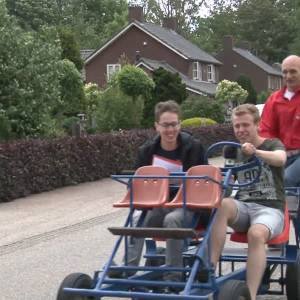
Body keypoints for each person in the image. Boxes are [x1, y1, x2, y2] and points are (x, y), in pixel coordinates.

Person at [109, 100, 207, 284]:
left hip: (188, 207)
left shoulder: (194, 147)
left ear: (180, 124)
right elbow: (137, 185)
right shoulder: (147, 151)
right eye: (165, 125)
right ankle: (128, 269)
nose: (170, 130)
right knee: (137, 218)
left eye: (174, 124)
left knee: (173, 219)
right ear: (156, 126)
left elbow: (204, 184)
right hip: (159, 206)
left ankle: (173, 277)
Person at [210, 104, 286, 300]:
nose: (241, 130)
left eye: (245, 125)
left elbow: (280, 159)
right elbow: (228, 180)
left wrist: (256, 153)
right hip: (244, 207)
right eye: (237, 126)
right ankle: (209, 268)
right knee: (223, 204)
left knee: (255, 233)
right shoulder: (233, 151)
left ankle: (249, 295)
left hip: (270, 209)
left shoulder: (271, 144)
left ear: (257, 124)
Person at [260, 54, 300, 188]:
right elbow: (266, 130)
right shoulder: (274, 100)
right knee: (259, 180)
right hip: (280, 154)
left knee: (287, 179)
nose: (288, 76)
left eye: (293, 71)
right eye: (285, 72)